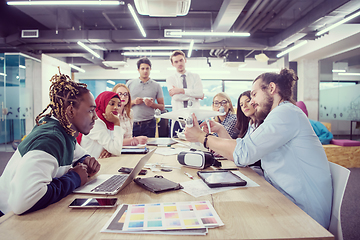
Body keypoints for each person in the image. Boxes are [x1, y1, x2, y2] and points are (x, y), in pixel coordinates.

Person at [185, 68, 333, 229]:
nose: (252, 101)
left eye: (254, 94)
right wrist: (219, 131)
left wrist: (201, 138)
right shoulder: (278, 115)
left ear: (271, 88)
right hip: (282, 197)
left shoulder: (285, 113)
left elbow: (244, 153)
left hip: (304, 214)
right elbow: (243, 148)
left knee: (229, 219)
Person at [0, 70, 100, 215]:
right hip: (6, 218)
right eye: (91, 111)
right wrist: (75, 178)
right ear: (71, 111)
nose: (95, 117)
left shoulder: (65, 131)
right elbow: (22, 202)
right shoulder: (50, 139)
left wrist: (87, 161)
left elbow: (78, 154)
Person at [166, 50, 204, 135]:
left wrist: (181, 90)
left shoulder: (195, 76)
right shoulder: (170, 79)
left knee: (196, 143)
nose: (179, 63)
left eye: (181, 60)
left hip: (195, 117)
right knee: (176, 144)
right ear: (173, 64)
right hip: (178, 118)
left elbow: (200, 93)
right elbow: (176, 97)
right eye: (176, 61)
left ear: (185, 60)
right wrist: (194, 95)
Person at [79, 91, 126, 159]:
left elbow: (115, 147)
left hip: (99, 163)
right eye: (112, 104)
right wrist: (117, 123)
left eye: (119, 105)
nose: (116, 107)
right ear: (102, 104)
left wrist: (109, 150)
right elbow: (117, 150)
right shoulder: (95, 123)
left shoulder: (109, 122)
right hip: (86, 166)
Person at [126, 58, 165, 137]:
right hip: (132, 124)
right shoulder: (130, 83)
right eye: (142, 68)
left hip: (149, 124)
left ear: (150, 69)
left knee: (150, 147)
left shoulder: (156, 85)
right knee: (132, 148)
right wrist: (134, 102)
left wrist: (152, 104)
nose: (145, 71)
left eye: (147, 68)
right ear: (138, 70)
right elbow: (123, 104)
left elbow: (162, 107)